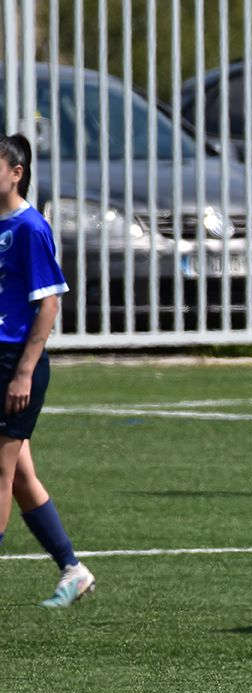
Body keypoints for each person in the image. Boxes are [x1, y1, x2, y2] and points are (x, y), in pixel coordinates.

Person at [0, 133, 95, 607]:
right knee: (19, 476)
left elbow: (49, 303)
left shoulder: (31, 228)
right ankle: (72, 569)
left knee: (0, 470)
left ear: (16, 173)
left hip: (13, 361)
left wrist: (23, 372)